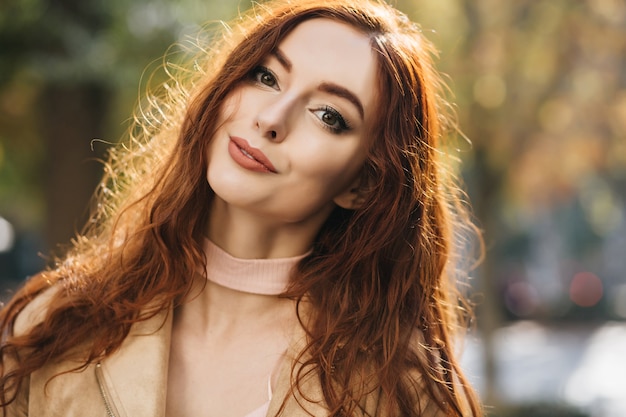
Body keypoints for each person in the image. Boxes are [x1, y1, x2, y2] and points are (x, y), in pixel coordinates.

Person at [0, 0, 484, 415]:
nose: (271, 120)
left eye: (329, 116)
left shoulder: (401, 392)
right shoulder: (51, 327)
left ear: (362, 183)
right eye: (266, 76)